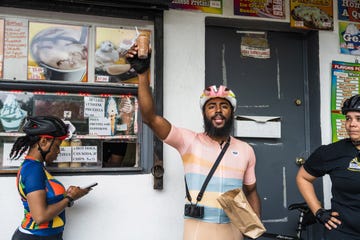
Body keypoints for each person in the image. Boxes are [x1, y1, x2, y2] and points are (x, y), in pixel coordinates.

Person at [126, 45, 261, 240]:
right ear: (204, 113)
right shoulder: (188, 141)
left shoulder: (245, 150)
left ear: (232, 112)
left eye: (224, 106)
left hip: (234, 231)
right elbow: (150, 118)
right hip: (198, 230)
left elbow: (252, 191)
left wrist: (253, 229)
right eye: (211, 106)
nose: (218, 111)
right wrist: (142, 75)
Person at [11, 116, 91, 240]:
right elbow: (40, 216)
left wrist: (67, 196)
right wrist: (69, 198)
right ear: (43, 142)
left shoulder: (36, 167)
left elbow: (46, 200)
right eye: (57, 146)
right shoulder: (33, 170)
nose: (58, 151)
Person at [296, 94, 360, 240]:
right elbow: (303, 177)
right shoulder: (331, 152)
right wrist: (318, 211)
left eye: (358, 119)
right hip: (343, 233)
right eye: (348, 118)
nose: (352, 124)